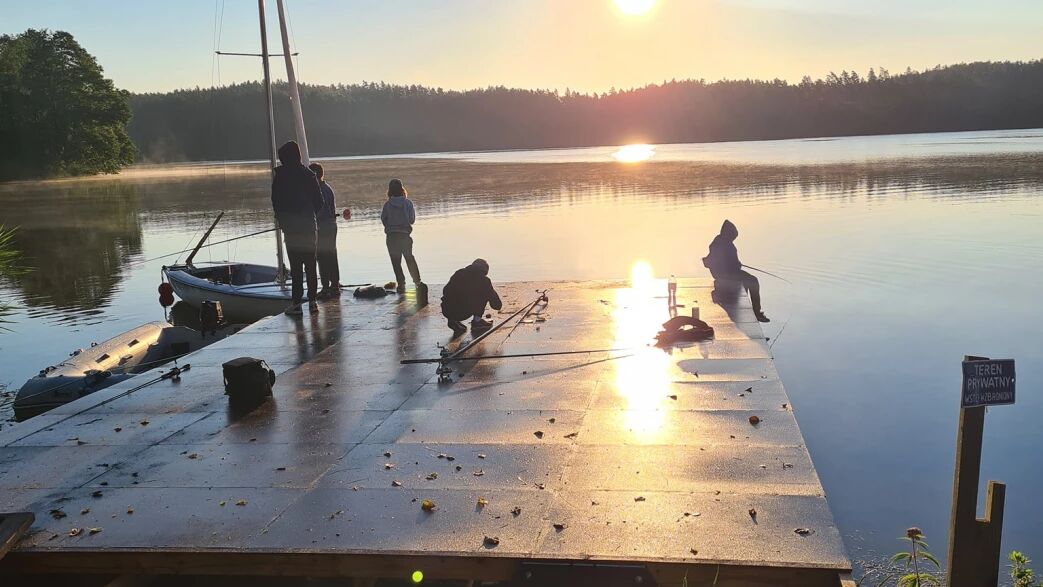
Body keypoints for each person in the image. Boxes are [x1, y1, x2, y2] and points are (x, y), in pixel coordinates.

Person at [271, 140, 322, 315]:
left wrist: (283, 220)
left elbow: (276, 201)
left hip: (291, 229)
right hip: (309, 227)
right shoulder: (309, 175)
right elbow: (319, 202)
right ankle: (313, 302)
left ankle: (296, 304)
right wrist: (310, 215)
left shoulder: (280, 177)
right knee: (311, 266)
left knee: (296, 267)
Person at [703, 219, 770, 322]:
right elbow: (731, 265)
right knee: (753, 281)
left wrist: (736, 264)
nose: (733, 239)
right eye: (733, 237)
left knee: (747, 281)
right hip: (726, 275)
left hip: (724, 274)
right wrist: (738, 264)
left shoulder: (718, 242)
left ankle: (749, 309)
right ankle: (756, 312)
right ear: (728, 234)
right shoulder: (725, 244)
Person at [380, 178, 423, 294]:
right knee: (409, 259)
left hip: (392, 237)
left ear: (390, 191)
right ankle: (417, 282)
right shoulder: (408, 203)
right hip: (405, 236)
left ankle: (401, 284)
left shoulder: (387, 205)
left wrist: (391, 225)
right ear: (402, 189)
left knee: (396, 262)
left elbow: (384, 220)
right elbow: (412, 220)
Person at [441, 258, 503, 338]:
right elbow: (496, 305)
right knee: (483, 295)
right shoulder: (484, 280)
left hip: (446, 310)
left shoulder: (459, 273)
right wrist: (490, 291)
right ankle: (477, 322)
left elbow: (445, 290)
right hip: (464, 312)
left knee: (452, 297)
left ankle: (452, 320)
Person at [309, 162, 341, 297]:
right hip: (330, 226)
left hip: (324, 227)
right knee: (331, 255)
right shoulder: (326, 188)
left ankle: (327, 287)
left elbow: (321, 211)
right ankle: (334, 285)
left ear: (315, 175)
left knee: (323, 257)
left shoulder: (321, 190)